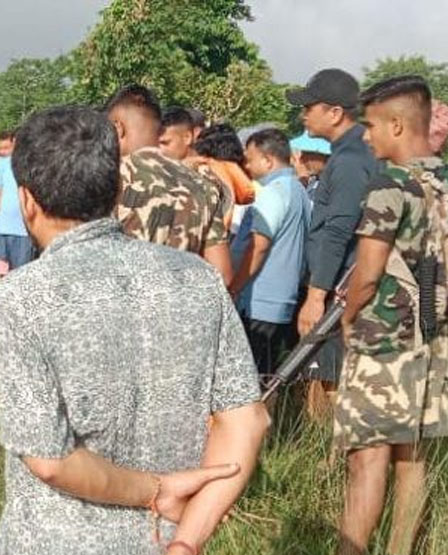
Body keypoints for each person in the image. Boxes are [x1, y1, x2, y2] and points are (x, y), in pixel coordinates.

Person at [0, 105, 269, 555]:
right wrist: (186, 542)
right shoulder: (196, 280)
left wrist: (156, 490)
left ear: (27, 200)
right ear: (117, 186)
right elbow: (247, 423)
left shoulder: (22, 299)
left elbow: (53, 460)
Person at [332, 76, 448, 555]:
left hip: (384, 343)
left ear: (398, 124)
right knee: (412, 456)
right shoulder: (442, 182)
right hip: (434, 339)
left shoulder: (389, 184)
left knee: (367, 456)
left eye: (372, 125)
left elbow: (369, 269)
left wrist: (351, 317)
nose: (366, 136)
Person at [288, 69, 379, 414]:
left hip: (339, 291)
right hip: (341, 287)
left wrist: (315, 296)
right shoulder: (351, 153)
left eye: (309, 107)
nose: (303, 114)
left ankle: (331, 463)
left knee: (332, 382)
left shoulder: (350, 161)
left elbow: (338, 231)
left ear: (335, 112)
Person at [106, 85, 232, 286]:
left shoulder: (111, 177)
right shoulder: (204, 186)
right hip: (181, 311)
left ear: (118, 128)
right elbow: (223, 274)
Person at [233, 128, 311, 375]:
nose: (246, 164)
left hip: (259, 301)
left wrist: (234, 287)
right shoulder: (298, 189)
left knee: (252, 378)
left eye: (250, 158)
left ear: (267, 160)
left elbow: (259, 246)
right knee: (266, 374)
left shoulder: (274, 192)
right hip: (281, 299)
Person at [0, 131, 36, 273]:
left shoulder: (33, 166)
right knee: (1, 272)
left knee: (21, 273)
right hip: (2, 229)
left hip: (24, 231)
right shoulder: (2, 165)